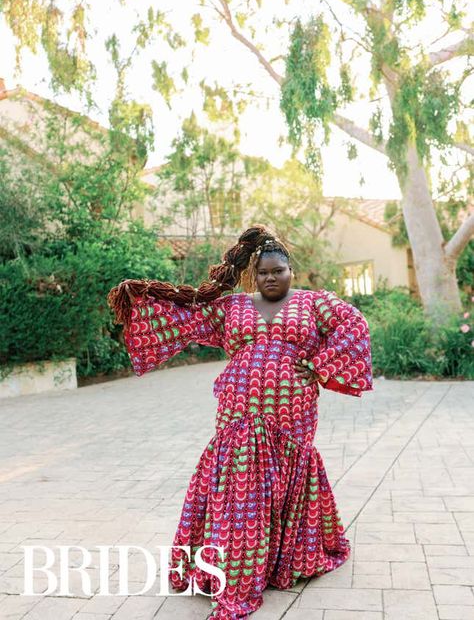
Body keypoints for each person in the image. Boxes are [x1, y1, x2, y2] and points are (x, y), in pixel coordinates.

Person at [107, 225, 373, 619]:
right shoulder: (232, 307)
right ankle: (238, 572)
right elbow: (187, 317)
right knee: (242, 486)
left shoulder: (315, 303)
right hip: (238, 408)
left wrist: (318, 364)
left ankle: (278, 562)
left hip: (292, 412)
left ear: (290, 270)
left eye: (278, 270)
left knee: (283, 479)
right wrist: (144, 299)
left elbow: (355, 326)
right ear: (253, 274)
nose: (271, 277)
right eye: (263, 272)